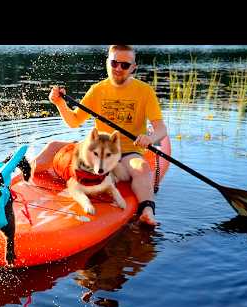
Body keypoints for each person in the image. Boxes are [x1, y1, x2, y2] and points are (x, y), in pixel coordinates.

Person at [48, 45, 167, 226]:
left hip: (127, 153)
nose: (118, 68)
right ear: (107, 64)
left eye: (125, 65)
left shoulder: (144, 91)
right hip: (98, 152)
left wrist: (150, 138)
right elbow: (74, 121)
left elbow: (161, 129)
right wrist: (59, 103)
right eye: (114, 63)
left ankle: (147, 211)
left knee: (141, 168)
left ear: (133, 67)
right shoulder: (97, 90)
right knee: (53, 146)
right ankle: (15, 179)